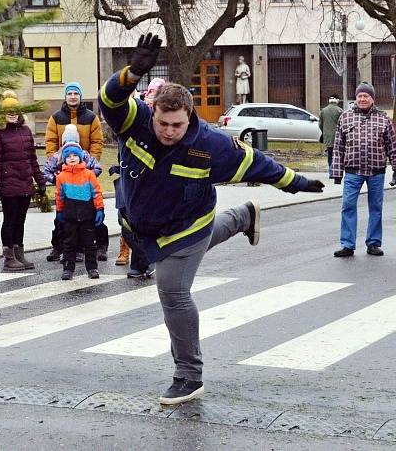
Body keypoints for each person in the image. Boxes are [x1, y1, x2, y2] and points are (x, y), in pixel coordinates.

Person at [99, 33, 325, 406]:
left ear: (190, 117)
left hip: (186, 226)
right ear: (152, 113)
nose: (169, 131)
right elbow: (110, 100)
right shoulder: (134, 122)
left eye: (177, 125)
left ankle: (189, 375)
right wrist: (132, 73)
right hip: (142, 227)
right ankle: (243, 216)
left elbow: (259, 164)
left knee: (173, 289)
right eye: (163, 123)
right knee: (209, 238)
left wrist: (298, 183)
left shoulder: (212, 146)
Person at [330, 82, 396, 258]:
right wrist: (336, 172)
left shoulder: (383, 119)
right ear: (356, 98)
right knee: (348, 206)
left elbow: (393, 147)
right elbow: (338, 146)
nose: (362, 99)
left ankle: (373, 243)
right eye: (359, 96)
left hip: (376, 172)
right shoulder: (345, 117)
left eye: (366, 96)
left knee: (376, 207)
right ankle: (347, 244)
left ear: (372, 98)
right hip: (353, 172)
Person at [45, 81, 105, 261]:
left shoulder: (91, 117)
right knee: (62, 213)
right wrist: (56, 167)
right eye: (69, 93)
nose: (73, 96)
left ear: (80, 96)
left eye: (76, 94)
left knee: (90, 212)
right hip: (64, 174)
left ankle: (98, 246)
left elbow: (97, 142)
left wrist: (88, 168)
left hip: (84, 172)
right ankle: (58, 246)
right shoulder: (56, 118)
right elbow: (50, 142)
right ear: (65, 96)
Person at [0, 91, 45, 271]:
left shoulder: (26, 131)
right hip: (8, 185)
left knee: (20, 221)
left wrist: (40, 180)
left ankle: (19, 254)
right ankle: (8, 257)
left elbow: (32, 159)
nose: (12, 115)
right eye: (8, 111)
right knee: (10, 220)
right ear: (3, 113)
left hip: (25, 183)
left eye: (15, 111)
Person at [55, 142, 104, 280]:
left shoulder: (89, 174)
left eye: (75, 155)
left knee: (89, 243)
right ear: (64, 159)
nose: (72, 158)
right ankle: (68, 269)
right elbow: (59, 195)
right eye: (68, 156)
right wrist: (59, 211)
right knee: (69, 243)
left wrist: (100, 208)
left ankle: (92, 268)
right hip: (70, 215)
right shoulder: (61, 177)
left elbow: (96, 192)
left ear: (80, 157)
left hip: (87, 214)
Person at [319, 95, 343, 178]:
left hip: (328, 136)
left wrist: (325, 131)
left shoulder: (323, 110)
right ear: (337, 101)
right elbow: (343, 124)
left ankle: (331, 172)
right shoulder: (340, 110)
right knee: (337, 154)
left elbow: (320, 124)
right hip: (338, 136)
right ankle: (336, 171)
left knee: (330, 154)